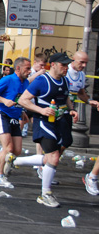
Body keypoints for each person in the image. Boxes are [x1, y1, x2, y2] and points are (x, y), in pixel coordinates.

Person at [15, 52, 78, 208]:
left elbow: (65, 97)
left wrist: (71, 109)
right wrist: (41, 110)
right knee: (54, 157)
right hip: (44, 123)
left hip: (59, 122)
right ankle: (45, 194)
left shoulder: (64, 80)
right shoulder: (42, 81)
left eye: (67, 65)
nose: (66, 67)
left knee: (50, 158)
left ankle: (16, 160)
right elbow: (22, 100)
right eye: (63, 65)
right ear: (54, 65)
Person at [0, 57, 31, 188]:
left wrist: (23, 112)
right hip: (2, 114)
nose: (29, 71)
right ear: (18, 68)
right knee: (8, 149)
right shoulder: (7, 79)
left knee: (17, 151)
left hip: (15, 116)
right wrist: (4, 101)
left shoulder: (25, 83)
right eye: (27, 68)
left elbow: (20, 100)